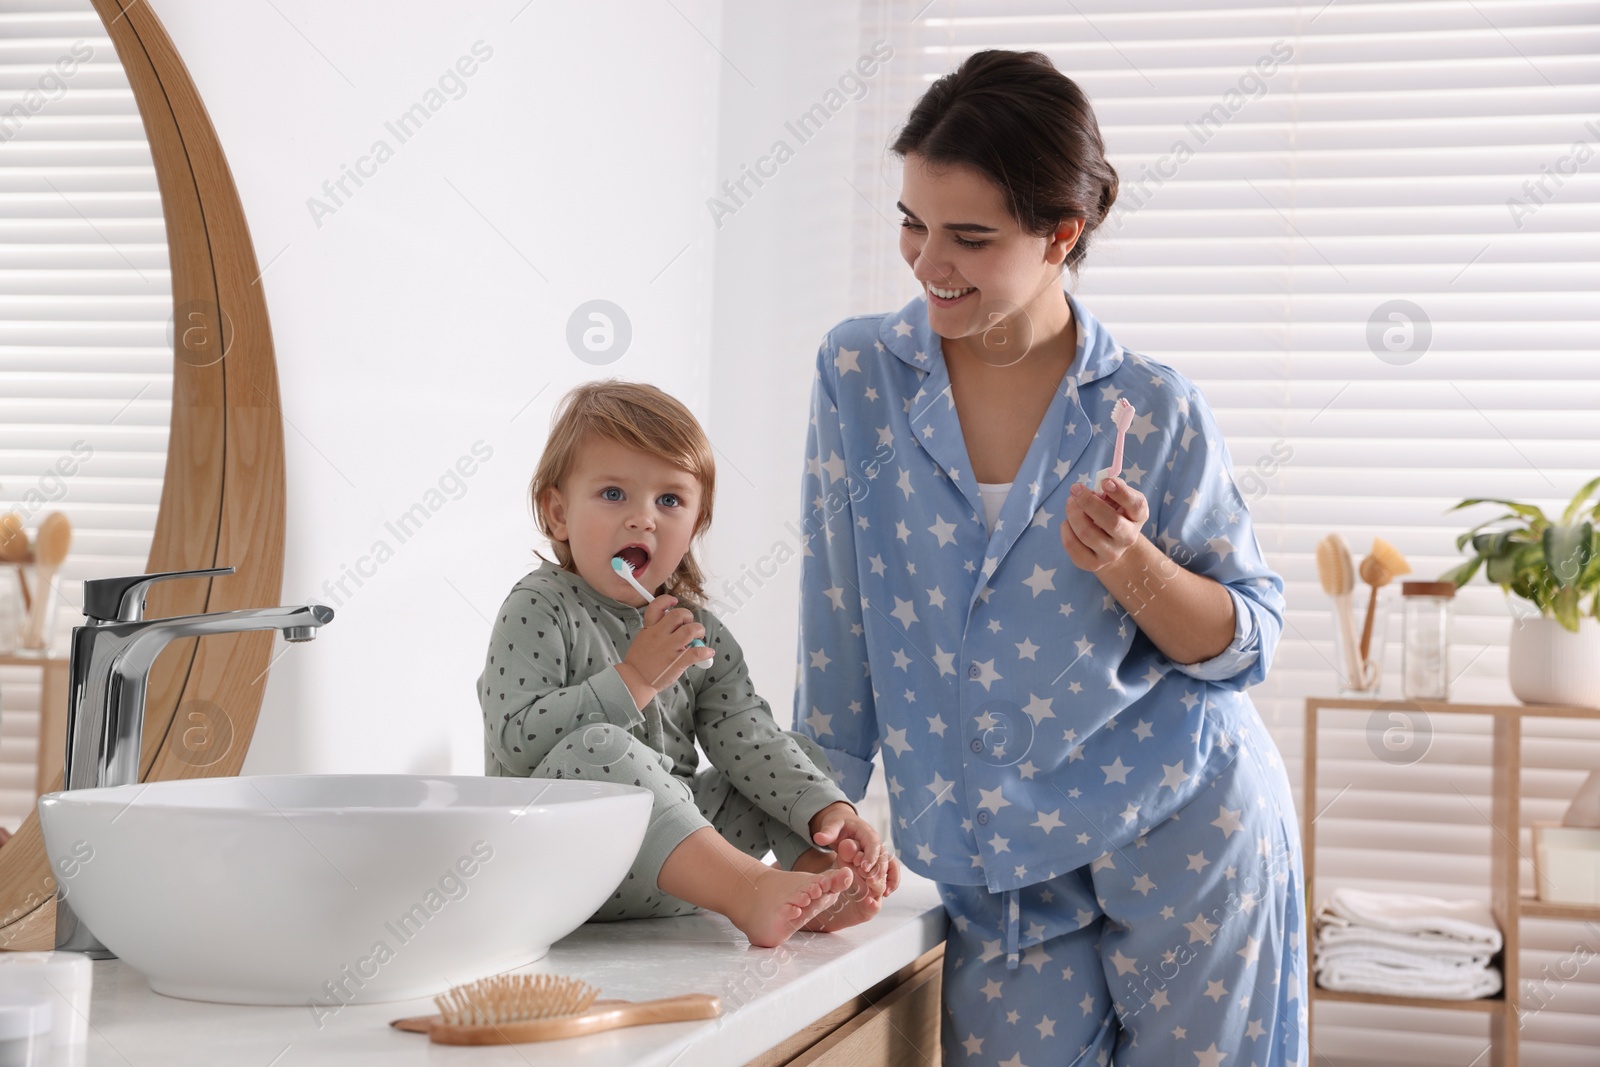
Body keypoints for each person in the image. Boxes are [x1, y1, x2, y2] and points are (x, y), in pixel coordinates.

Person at [794, 50, 1308, 1064]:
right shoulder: (859, 375)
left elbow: (1246, 642)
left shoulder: (1152, 406)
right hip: (995, 865)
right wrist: (809, 833)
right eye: (911, 221)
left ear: (1059, 233)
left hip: (1189, 833)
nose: (927, 260)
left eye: (969, 236)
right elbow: (835, 638)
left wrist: (1132, 565)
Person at [479, 379, 899, 949]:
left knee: (792, 754)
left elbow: (750, 742)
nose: (643, 519)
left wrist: (831, 810)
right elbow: (516, 740)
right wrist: (633, 680)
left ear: (695, 525)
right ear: (557, 513)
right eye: (612, 494)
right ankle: (751, 889)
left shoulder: (701, 634)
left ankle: (817, 881)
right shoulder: (540, 606)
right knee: (599, 745)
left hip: (677, 872)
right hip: (563, 868)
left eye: (669, 501)